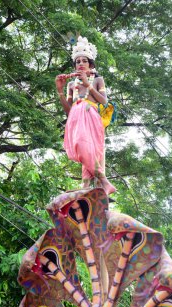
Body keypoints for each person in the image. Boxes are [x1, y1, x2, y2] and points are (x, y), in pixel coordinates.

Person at [55, 36, 116, 195]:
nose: (81, 63)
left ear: (91, 64)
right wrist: (60, 90)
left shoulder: (97, 80)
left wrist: (88, 83)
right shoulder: (71, 84)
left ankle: (102, 180)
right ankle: (86, 185)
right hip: (75, 117)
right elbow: (68, 111)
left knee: (86, 147)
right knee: (81, 147)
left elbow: (103, 101)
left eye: (84, 61)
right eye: (78, 61)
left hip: (91, 115)